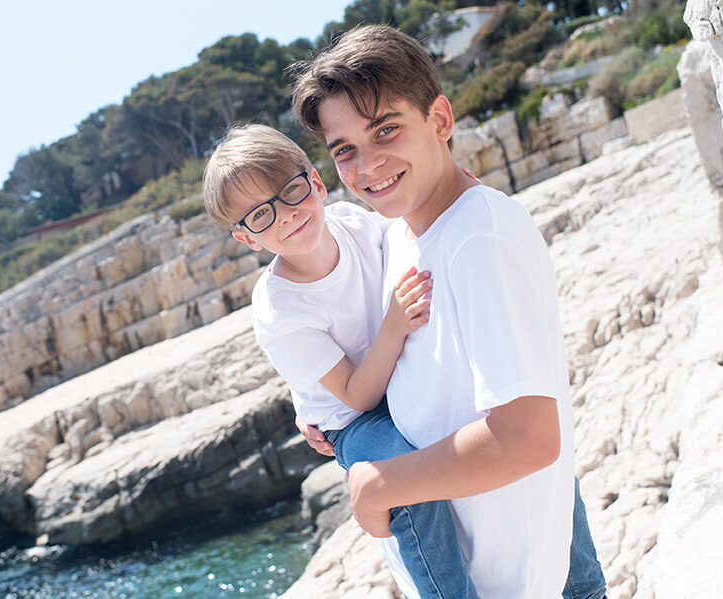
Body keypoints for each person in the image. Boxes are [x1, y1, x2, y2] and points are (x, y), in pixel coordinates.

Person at [289, 24, 607, 599]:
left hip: (510, 580)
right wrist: (315, 403)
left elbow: (530, 438)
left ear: (439, 120)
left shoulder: (478, 241)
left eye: (387, 129)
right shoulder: (405, 232)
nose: (369, 164)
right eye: (345, 150)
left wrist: (379, 484)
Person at [202, 123, 477, 598]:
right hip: (353, 418)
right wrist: (394, 324)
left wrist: (457, 192)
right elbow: (356, 394)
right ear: (247, 238)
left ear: (315, 180)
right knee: (405, 481)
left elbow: (410, 236)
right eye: (261, 216)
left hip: (399, 375)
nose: (286, 216)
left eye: (290, 191)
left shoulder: (351, 221)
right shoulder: (280, 308)